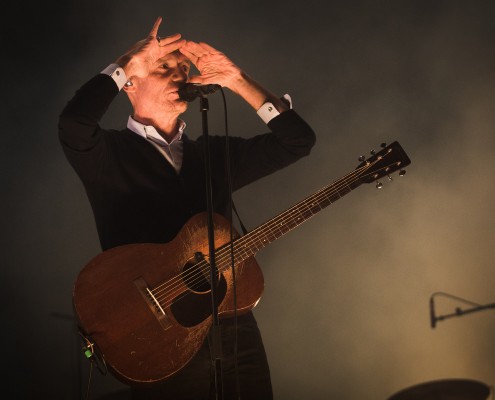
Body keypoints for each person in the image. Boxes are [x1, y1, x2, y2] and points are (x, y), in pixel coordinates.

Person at [59, 16, 316, 400]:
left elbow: (297, 142)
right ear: (131, 83)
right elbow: (75, 124)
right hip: (155, 335)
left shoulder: (211, 153)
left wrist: (236, 79)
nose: (179, 74)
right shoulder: (108, 154)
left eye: (184, 68)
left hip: (232, 325)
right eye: (164, 67)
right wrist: (126, 62)